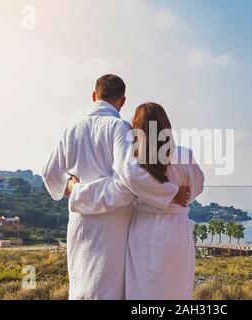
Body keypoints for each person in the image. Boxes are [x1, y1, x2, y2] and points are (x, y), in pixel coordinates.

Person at [42, 75, 188, 300]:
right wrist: (169, 192)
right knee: (108, 290)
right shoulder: (120, 127)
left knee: (81, 286)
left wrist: (74, 188)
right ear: (122, 101)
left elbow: (50, 175)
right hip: (114, 225)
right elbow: (129, 179)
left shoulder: (71, 129)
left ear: (94, 95)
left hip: (80, 223)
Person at [67, 102, 204, 300]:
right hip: (178, 232)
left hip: (145, 231)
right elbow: (197, 186)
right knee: (177, 291)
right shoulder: (185, 155)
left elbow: (125, 184)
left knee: (144, 293)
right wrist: (179, 195)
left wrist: (75, 189)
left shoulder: (136, 160)